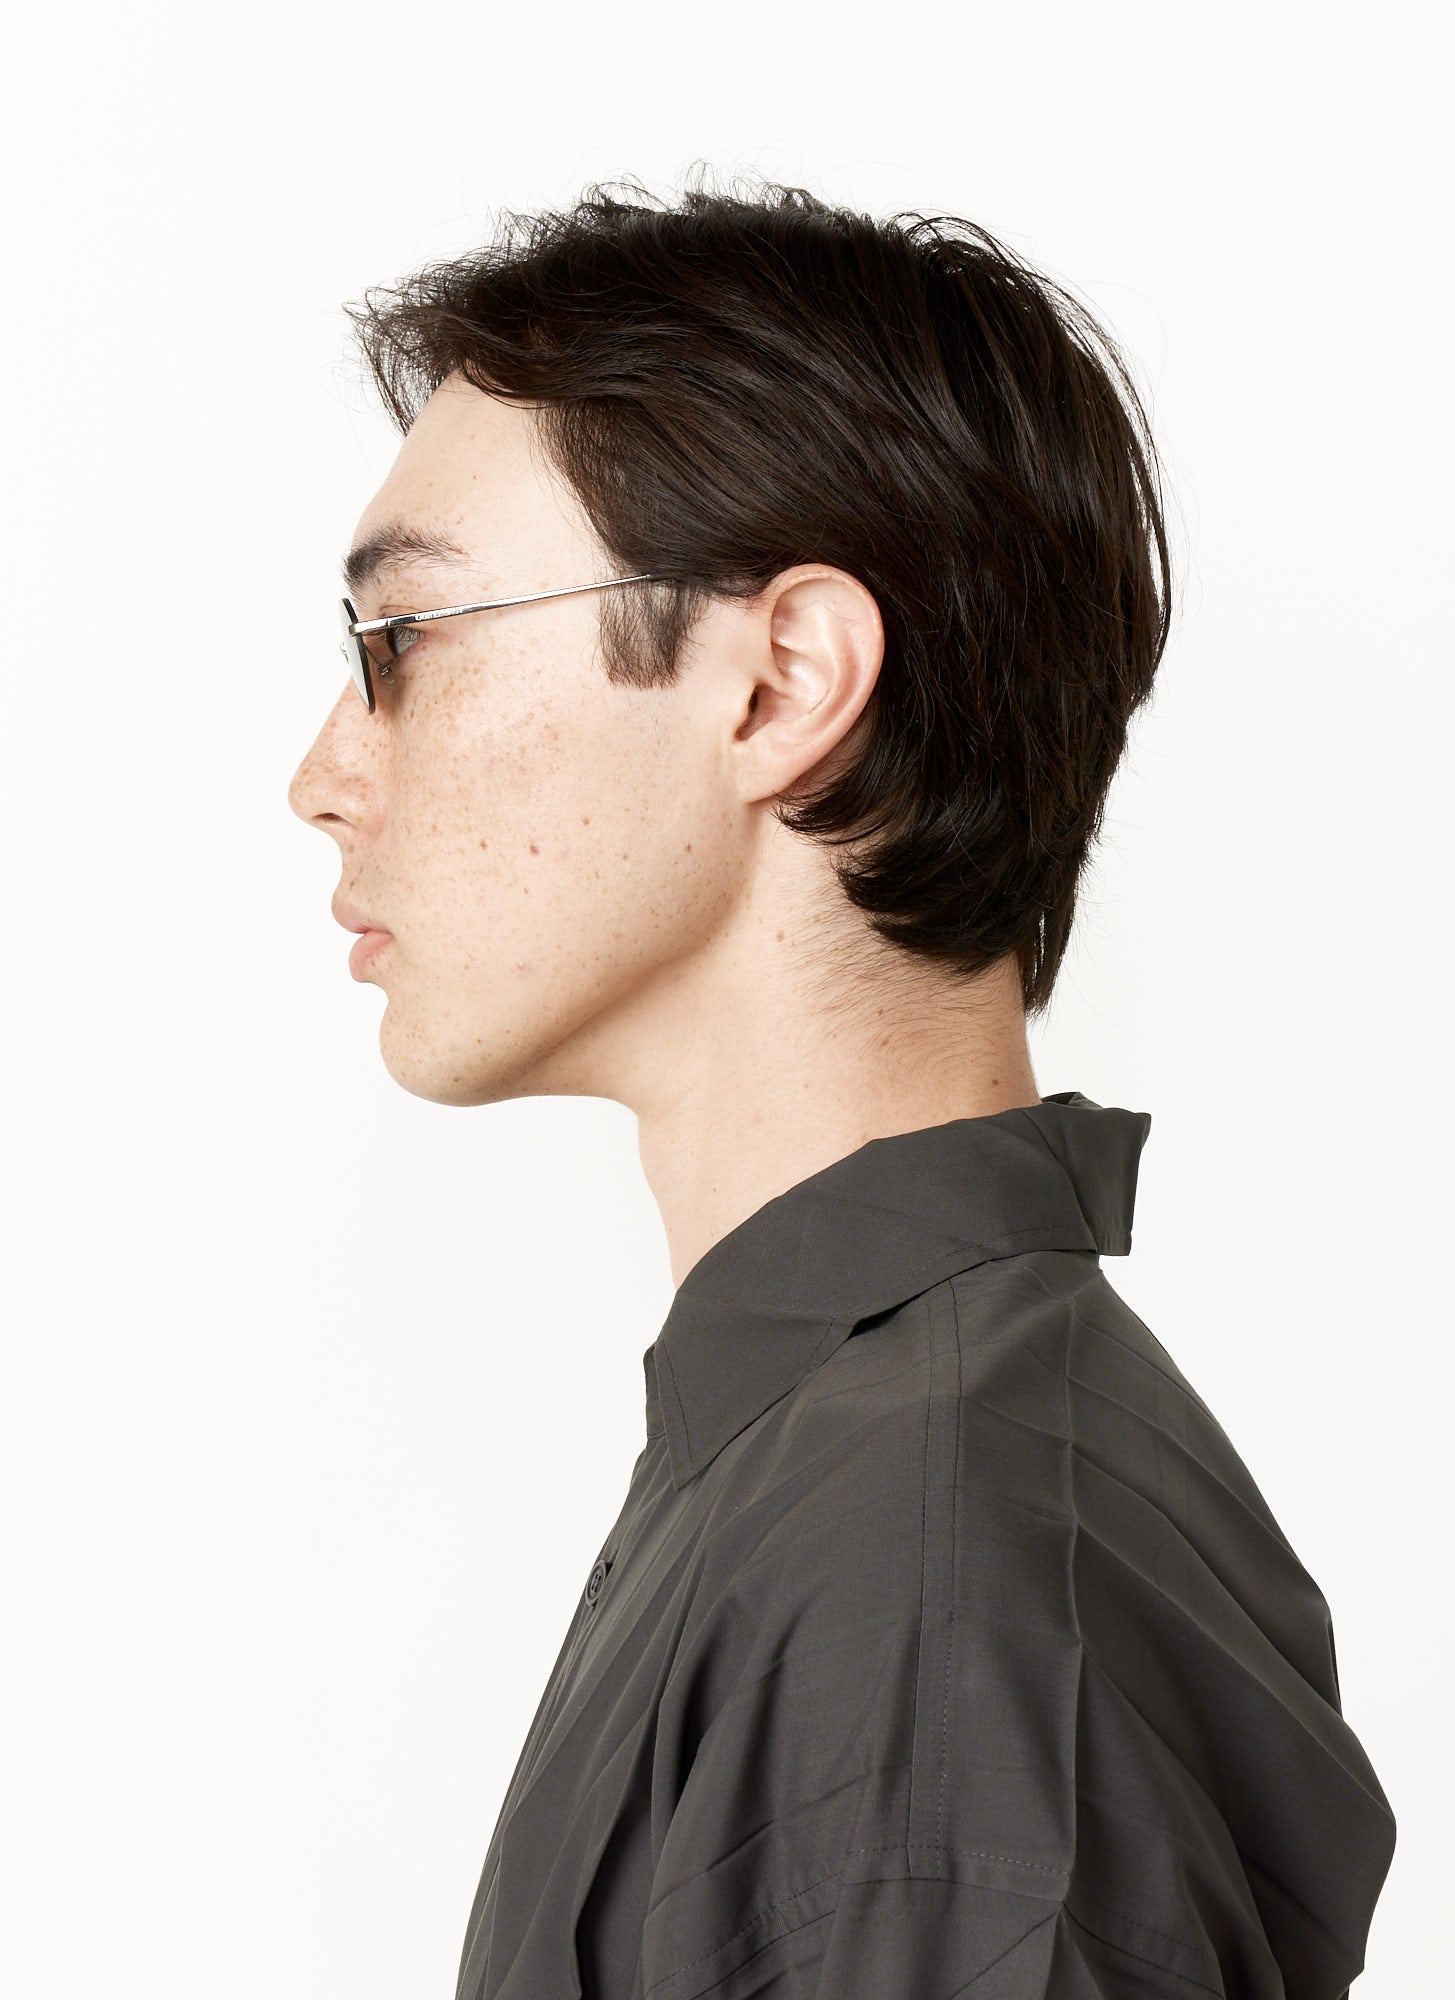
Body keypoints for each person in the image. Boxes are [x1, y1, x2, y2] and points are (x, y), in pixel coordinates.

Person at [288, 174, 1396, 2000]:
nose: (324, 776)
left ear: (780, 684)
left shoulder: (937, 1591)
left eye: (404, 641)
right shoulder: (849, 1473)